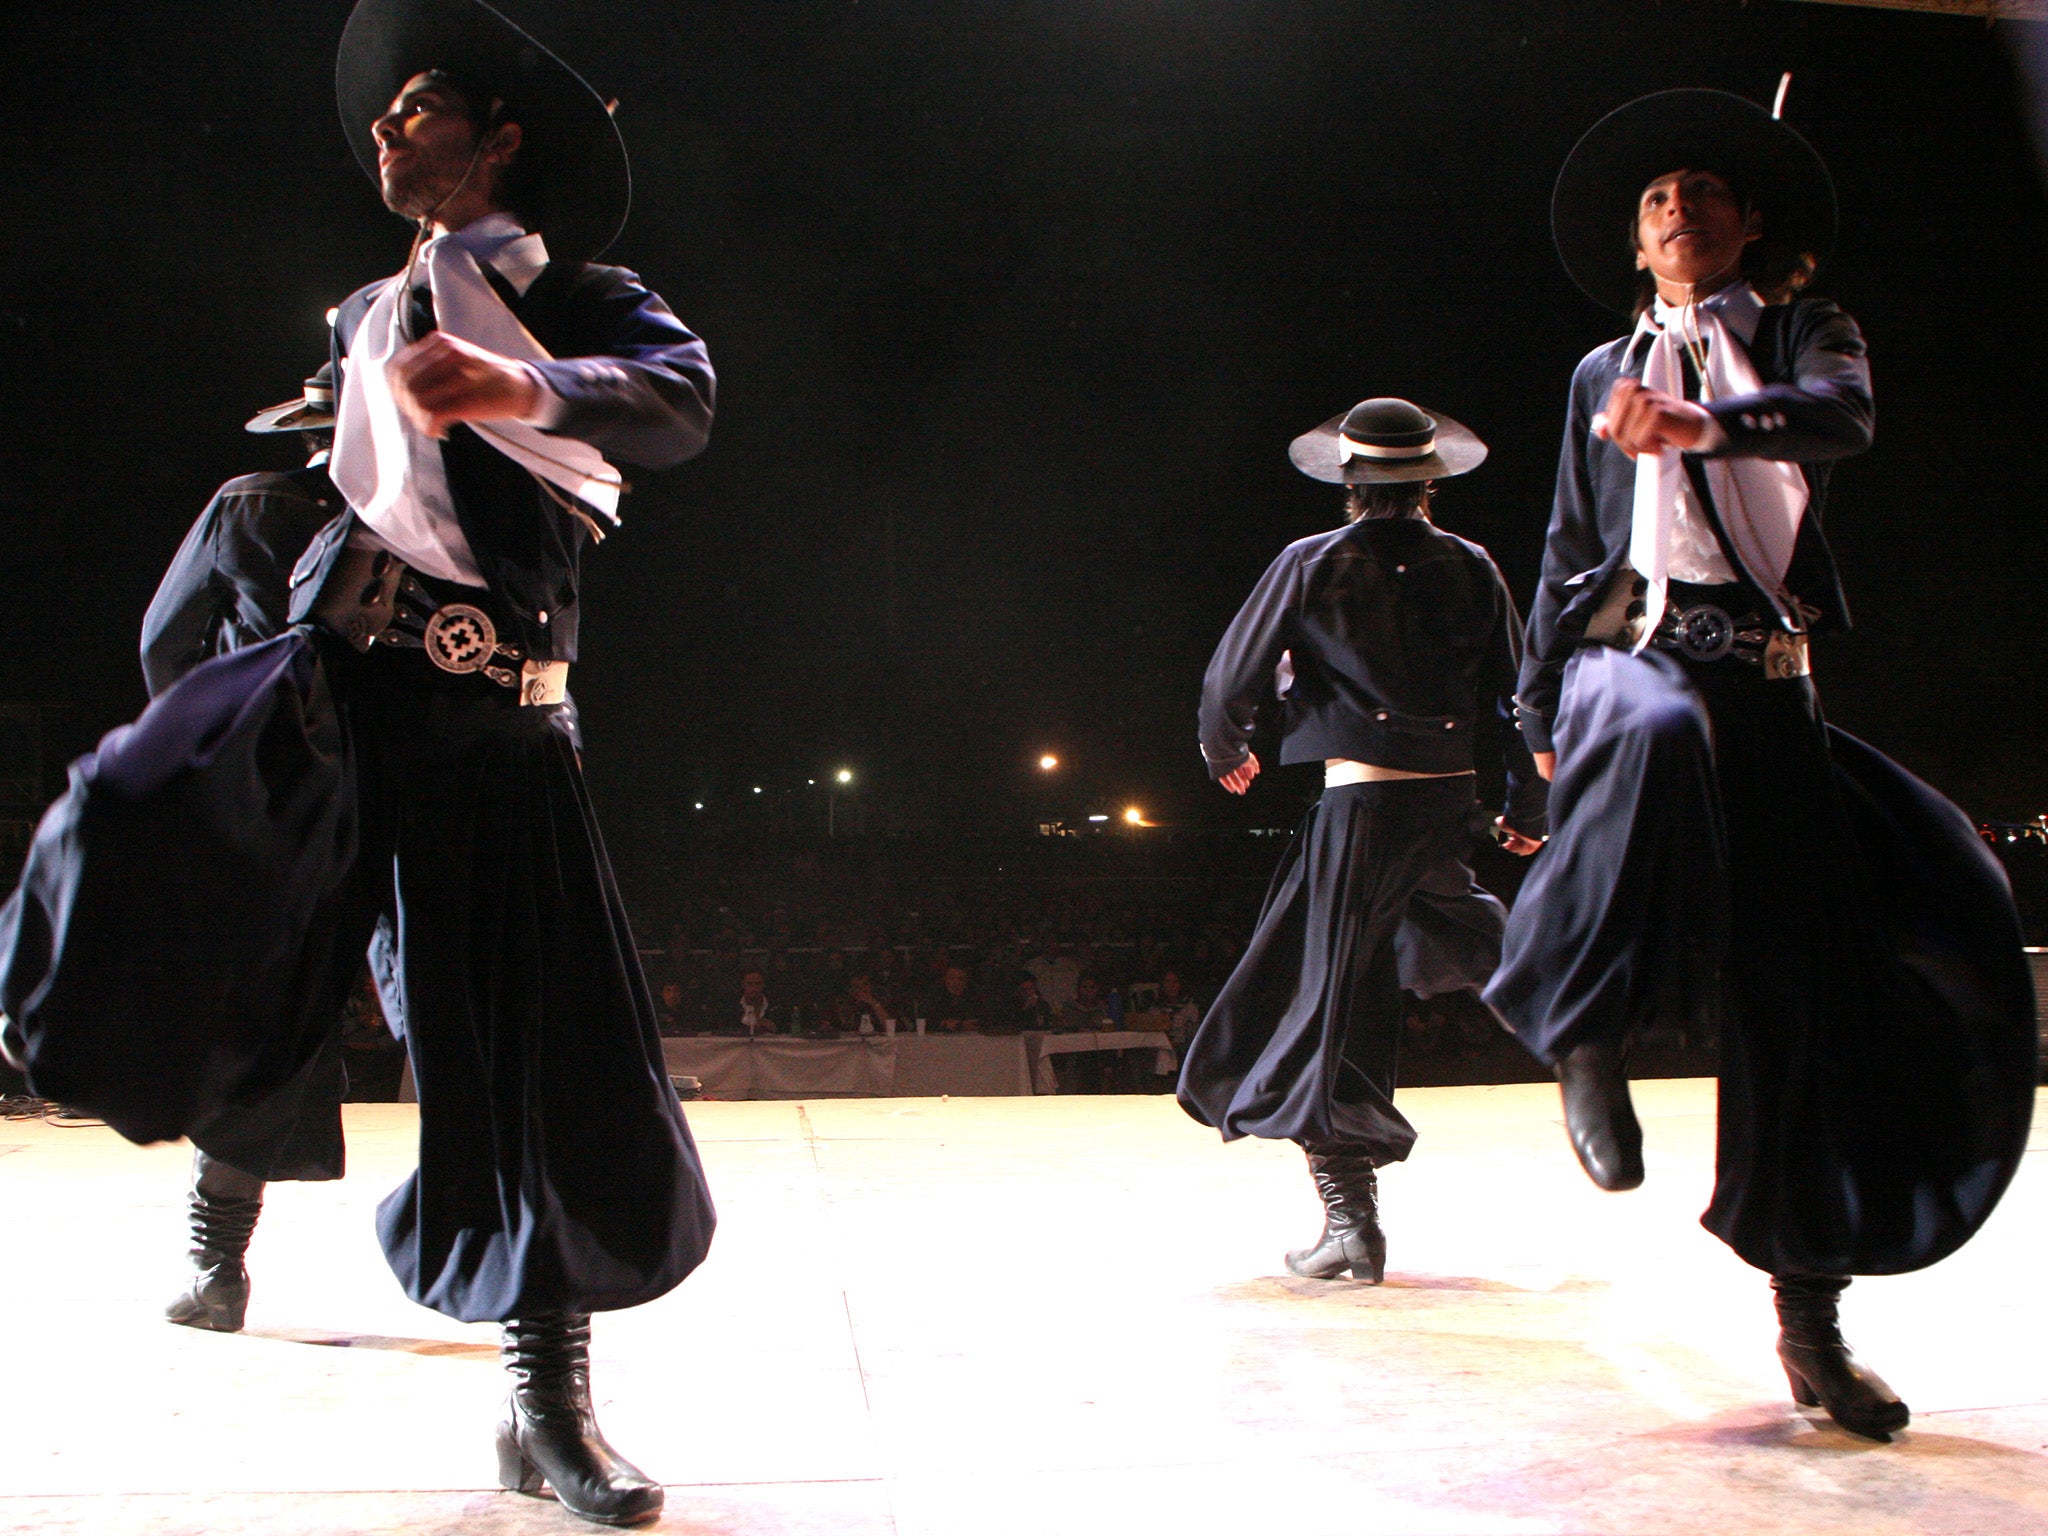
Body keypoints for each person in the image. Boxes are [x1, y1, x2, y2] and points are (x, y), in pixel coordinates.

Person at [1, 0, 721, 1523]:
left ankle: (546, 1410)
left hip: (493, 730)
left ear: (499, 134)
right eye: (385, 117)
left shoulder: (579, 299)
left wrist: (521, 386)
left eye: (414, 108)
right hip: (334, 709)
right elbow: (211, 608)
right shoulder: (360, 328)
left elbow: (680, 402)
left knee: (524, 1060)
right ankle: (191, 1199)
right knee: (219, 926)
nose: (383, 132)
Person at [1485, 88, 2035, 1441]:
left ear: (1749, 226)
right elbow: (1568, 544)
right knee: (1652, 730)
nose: (1679, 208)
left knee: (1814, 1005)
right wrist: (1540, 702)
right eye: (1657, 198)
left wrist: (1707, 425)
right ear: (1636, 243)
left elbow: (1838, 422)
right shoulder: (1593, 378)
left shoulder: (1805, 333)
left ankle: (1811, 1329)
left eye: (1704, 192)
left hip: (1770, 685)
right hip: (1638, 663)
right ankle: (1585, 1030)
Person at [1178, 394, 1546, 1285]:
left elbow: (1233, 675)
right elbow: (1524, 694)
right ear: (1429, 481)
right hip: (1444, 806)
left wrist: (1228, 745)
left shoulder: (1313, 563)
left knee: (1311, 1008)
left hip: (1361, 810)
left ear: (1349, 481)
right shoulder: (1472, 565)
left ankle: (1351, 1221)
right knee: (1398, 973)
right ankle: (1575, 1014)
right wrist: (1526, 805)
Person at [140, 366, 404, 1337]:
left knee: (264, 1023)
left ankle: (217, 1270)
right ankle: (514, 1262)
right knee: (445, 1009)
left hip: (281, 800)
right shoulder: (423, 510)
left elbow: (166, 644)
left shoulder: (249, 507)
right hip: (401, 787)